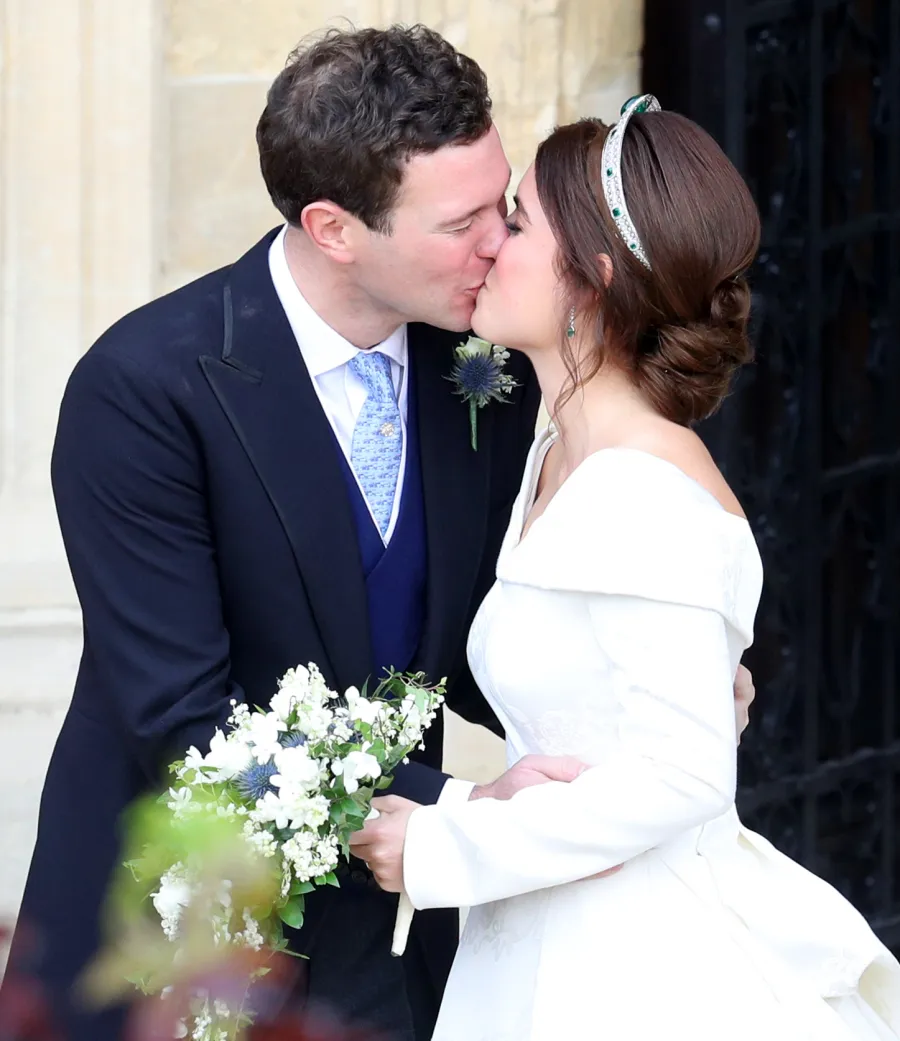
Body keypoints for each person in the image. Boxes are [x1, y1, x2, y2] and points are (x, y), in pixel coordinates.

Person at [4, 27, 755, 1041]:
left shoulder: (483, 368)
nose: (500, 241)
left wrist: (645, 691)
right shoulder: (144, 389)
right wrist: (458, 808)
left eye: (505, 205)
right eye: (463, 222)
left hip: (403, 945)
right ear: (335, 228)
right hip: (184, 929)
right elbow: (182, 717)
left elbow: (477, 636)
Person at [350, 97, 900, 1040]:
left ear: (592, 283)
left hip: (634, 967)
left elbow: (687, 774)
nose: (488, 242)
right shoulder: (556, 448)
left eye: (516, 221)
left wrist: (444, 843)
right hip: (550, 931)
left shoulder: (642, 490)